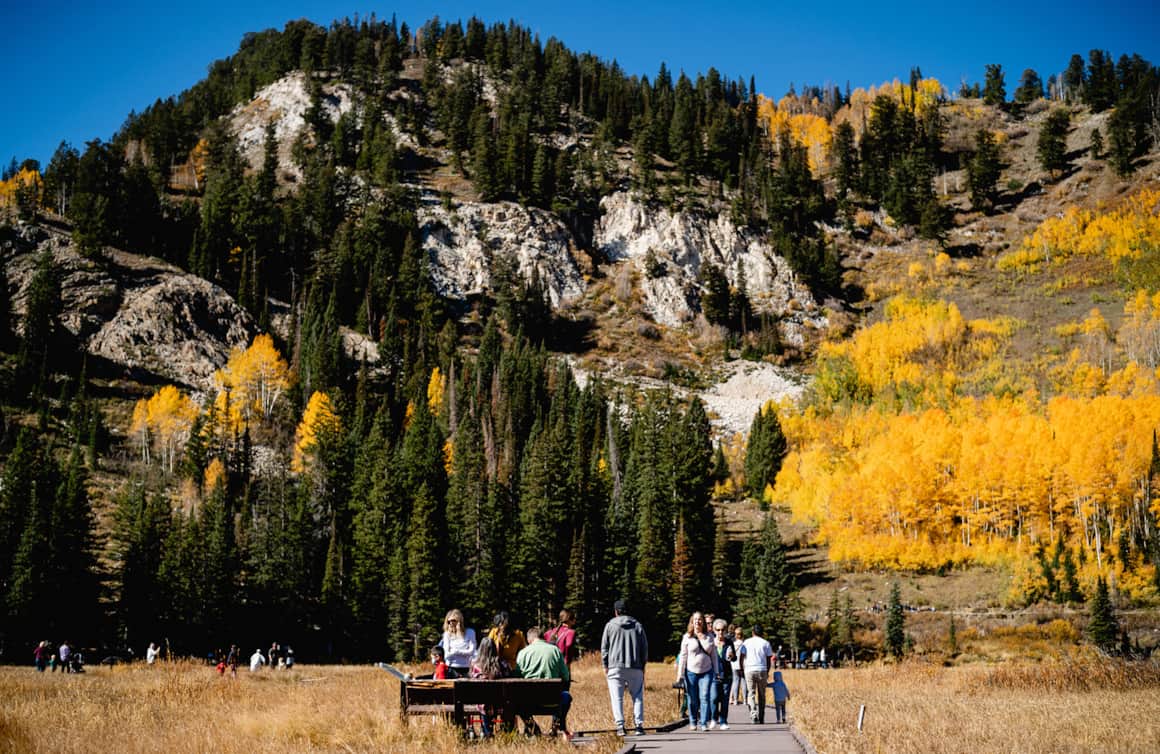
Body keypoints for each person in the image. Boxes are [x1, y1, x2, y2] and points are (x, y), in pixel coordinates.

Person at [516, 626, 573, 741]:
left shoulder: (523, 653)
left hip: (529, 701)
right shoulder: (555, 650)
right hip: (553, 700)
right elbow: (566, 676)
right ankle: (555, 727)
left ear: (529, 640)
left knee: (516, 702)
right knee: (566, 697)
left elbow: (517, 677)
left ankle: (532, 727)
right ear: (543, 637)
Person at [601, 599, 648, 737]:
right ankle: (638, 726)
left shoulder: (610, 625)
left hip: (615, 666)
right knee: (637, 696)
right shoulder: (637, 625)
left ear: (616, 611)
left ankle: (620, 726)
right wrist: (643, 664)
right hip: (635, 665)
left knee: (617, 698)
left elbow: (605, 648)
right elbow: (644, 647)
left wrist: (605, 665)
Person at [677, 612, 717, 732]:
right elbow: (683, 656)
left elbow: (714, 655)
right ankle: (693, 721)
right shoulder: (687, 637)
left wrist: (717, 671)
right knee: (692, 698)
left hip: (706, 671)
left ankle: (704, 723)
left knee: (704, 697)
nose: (697, 621)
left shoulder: (709, 636)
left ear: (703, 622)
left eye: (700, 619)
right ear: (692, 622)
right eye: (695, 619)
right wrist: (680, 675)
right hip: (691, 672)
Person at [469, 637, 509, 737]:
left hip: (481, 702)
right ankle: (502, 731)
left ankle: (487, 732)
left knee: (483, 700)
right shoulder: (502, 664)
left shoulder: (475, 665)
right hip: (500, 701)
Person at [741, 625, 774, 724]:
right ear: (762, 633)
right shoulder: (766, 643)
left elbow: (742, 657)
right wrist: (767, 671)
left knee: (751, 693)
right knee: (762, 694)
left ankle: (753, 714)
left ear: (752, 632)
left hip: (749, 669)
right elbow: (768, 659)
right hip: (761, 669)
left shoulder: (746, 642)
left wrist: (742, 669)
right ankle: (761, 716)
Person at [711, 619, 735, 729]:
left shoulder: (729, 642)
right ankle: (714, 718)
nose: (720, 632)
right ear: (714, 630)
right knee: (714, 698)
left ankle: (723, 721)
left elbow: (734, 658)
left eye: (722, 630)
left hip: (727, 674)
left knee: (725, 700)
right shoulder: (711, 642)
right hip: (714, 675)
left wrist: (732, 656)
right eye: (718, 630)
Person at [439, 608, 478, 675]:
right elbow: (447, 655)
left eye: (453, 621)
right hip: (451, 668)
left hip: (467, 668)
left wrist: (455, 651)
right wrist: (464, 652)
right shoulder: (447, 635)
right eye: (449, 621)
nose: (451, 623)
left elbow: (472, 651)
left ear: (459, 620)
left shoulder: (470, 632)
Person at [731, 627, 746, 704]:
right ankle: (745, 700)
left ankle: (735, 700)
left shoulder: (733, 644)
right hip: (742, 665)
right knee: (743, 682)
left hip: (734, 665)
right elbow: (744, 655)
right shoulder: (744, 644)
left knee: (735, 682)